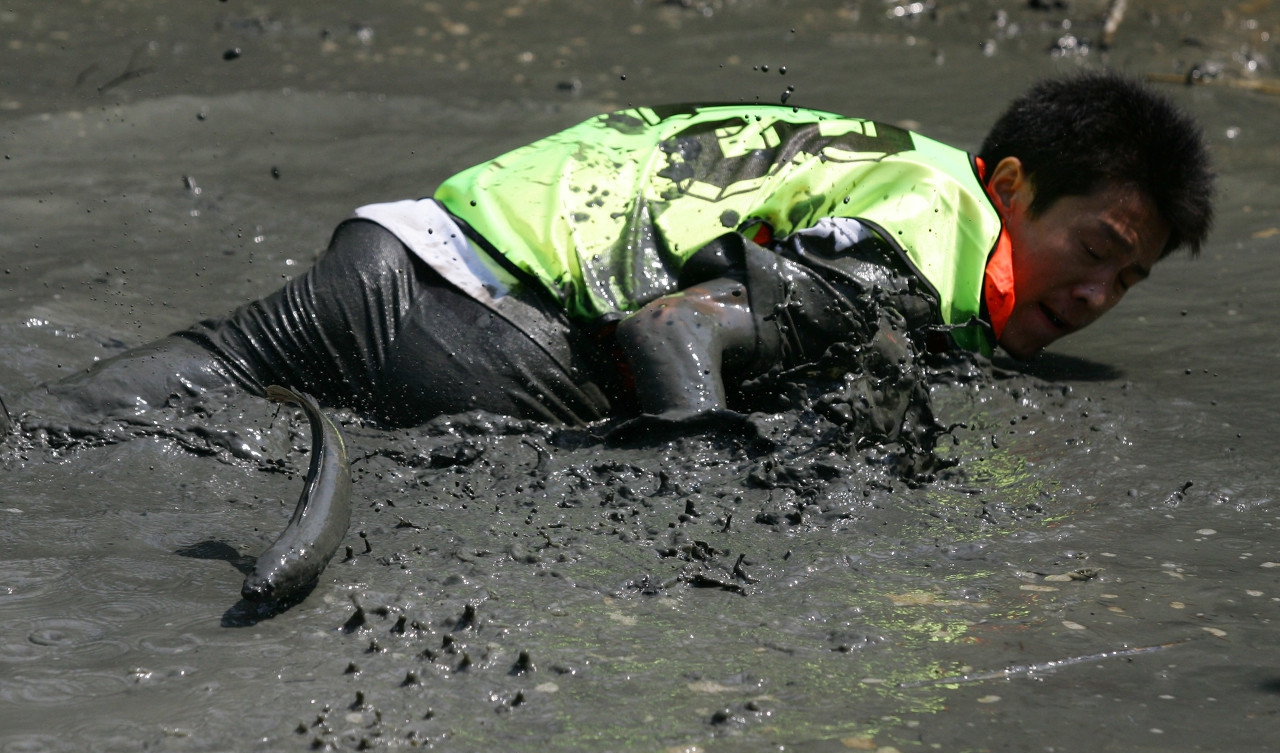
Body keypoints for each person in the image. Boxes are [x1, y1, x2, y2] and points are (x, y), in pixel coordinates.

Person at [0, 72, 1214, 438]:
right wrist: (696, 506)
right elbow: (668, 329)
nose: (1098, 294)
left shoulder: (870, 151)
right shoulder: (916, 238)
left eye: (1129, 280)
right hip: (494, 352)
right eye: (1095, 247)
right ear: (1006, 186)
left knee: (76, 417)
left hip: (392, 251)